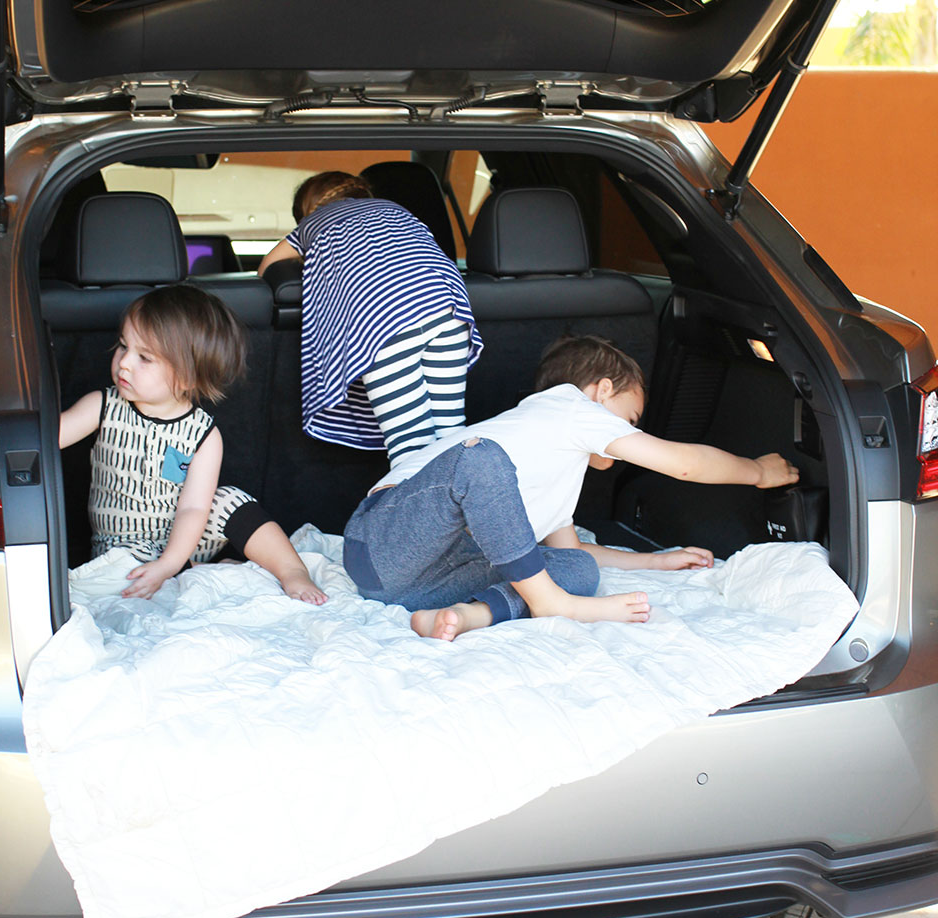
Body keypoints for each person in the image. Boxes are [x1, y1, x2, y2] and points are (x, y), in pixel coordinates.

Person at [343, 334, 799, 640]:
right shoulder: (570, 408)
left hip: (422, 586)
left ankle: (468, 616)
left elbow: (567, 548)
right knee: (480, 459)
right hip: (383, 542)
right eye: (631, 419)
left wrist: (656, 562)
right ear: (601, 392)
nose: (629, 434)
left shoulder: (557, 466)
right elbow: (681, 463)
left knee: (578, 568)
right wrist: (757, 471)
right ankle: (550, 603)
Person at [59, 283, 326, 604]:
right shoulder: (102, 405)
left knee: (229, 500)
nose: (124, 362)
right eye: (122, 346)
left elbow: (193, 508)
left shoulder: (203, 434)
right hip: (122, 550)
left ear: (187, 377)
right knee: (113, 581)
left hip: (183, 539)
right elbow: (48, 439)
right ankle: (197, 570)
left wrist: (169, 563)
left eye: (144, 357)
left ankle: (290, 570)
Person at [258, 171, 482, 460]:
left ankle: (421, 504)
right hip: (448, 306)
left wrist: (311, 258)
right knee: (452, 432)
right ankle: (466, 501)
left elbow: (267, 268)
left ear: (307, 209)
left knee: (411, 447)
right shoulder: (395, 210)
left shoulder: (314, 223)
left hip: (384, 316)